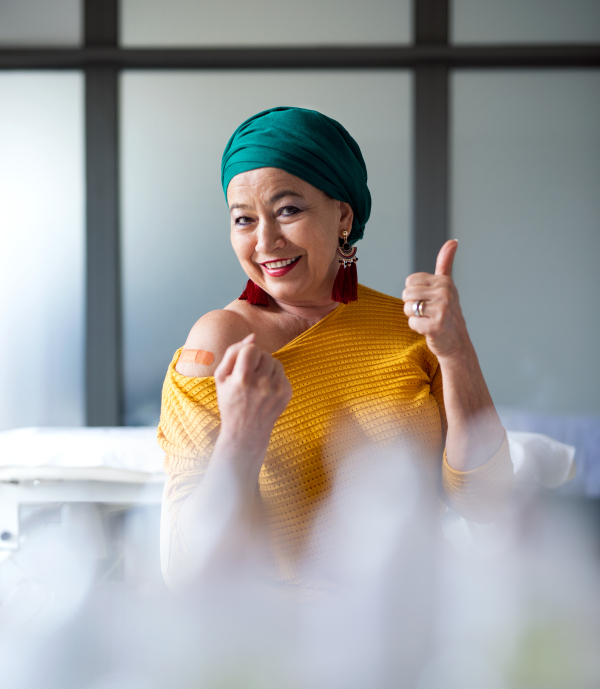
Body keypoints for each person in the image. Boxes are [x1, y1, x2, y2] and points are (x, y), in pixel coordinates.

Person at [158, 107, 512, 585]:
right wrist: (243, 436)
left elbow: (487, 502)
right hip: (279, 640)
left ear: (342, 214)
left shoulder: (412, 328)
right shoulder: (219, 342)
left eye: (288, 210)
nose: (265, 241)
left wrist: (455, 351)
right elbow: (189, 566)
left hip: (411, 620)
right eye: (244, 220)